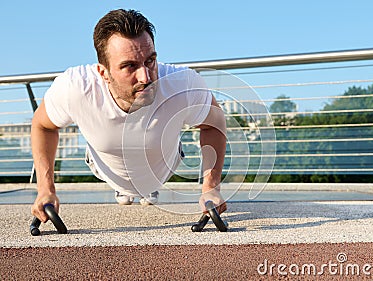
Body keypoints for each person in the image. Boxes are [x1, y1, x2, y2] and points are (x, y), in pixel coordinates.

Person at [31, 9, 227, 223]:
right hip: (104, 166)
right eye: (129, 66)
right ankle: (126, 189)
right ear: (103, 73)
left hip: (164, 164)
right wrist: (45, 189)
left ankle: (146, 188)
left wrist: (211, 187)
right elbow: (43, 126)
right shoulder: (75, 87)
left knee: (154, 151)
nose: (146, 76)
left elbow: (214, 124)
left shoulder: (183, 83)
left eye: (150, 61)